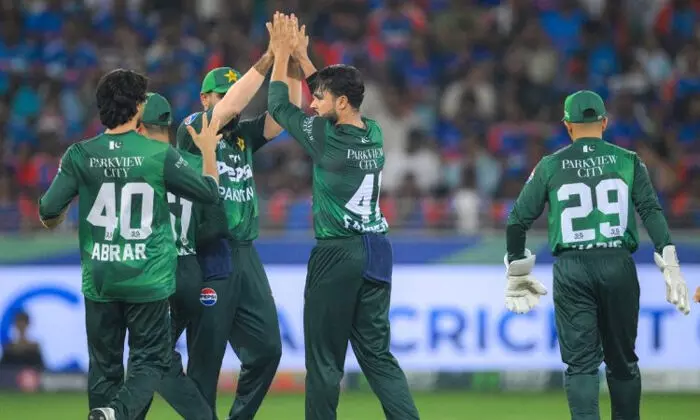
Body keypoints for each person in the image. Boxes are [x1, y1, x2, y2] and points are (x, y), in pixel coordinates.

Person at [38, 68, 222, 420]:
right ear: (138, 107)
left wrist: (56, 220)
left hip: (101, 279)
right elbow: (209, 194)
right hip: (147, 280)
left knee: (104, 367)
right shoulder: (159, 155)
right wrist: (209, 153)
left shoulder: (80, 154)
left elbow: (48, 210)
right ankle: (116, 414)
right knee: (150, 361)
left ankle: (104, 413)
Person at [266, 13, 420, 420]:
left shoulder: (324, 137)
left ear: (342, 103)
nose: (312, 103)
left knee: (324, 360)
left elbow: (278, 105)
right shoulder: (373, 132)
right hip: (377, 252)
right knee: (378, 357)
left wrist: (281, 55)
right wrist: (306, 60)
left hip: (338, 254)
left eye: (319, 98)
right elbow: (329, 97)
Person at [504, 90, 691, 420]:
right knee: (623, 361)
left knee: (580, 366)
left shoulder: (550, 165)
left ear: (567, 125)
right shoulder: (628, 160)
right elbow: (650, 210)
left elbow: (517, 221)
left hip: (572, 268)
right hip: (617, 263)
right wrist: (669, 261)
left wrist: (518, 272)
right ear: (604, 122)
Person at [174, 12, 303, 418]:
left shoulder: (243, 136)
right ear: (205, 99)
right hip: (209, 251)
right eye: (221, 94)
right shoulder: (194, 130)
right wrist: (268, 58)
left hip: (246, 252)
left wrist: (289, 60)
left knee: (268, 349)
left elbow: (286, 114)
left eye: (232, 92)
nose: (230, 100)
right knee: (206, 360)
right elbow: (229, 108)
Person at [134, 92, 218, 420]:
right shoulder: (189, 163)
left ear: (139, 127)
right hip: (190, 267)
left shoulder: (140, 165)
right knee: (145, 356)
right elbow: (212, 215)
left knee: (155, 357)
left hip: (160, 273)